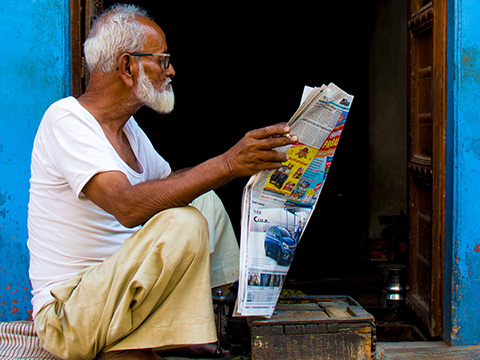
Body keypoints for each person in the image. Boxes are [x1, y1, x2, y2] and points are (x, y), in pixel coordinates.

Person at [27, 4, 297, 360]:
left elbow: (170, 185)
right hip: (70, 313)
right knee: (183, 222)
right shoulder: (66, 120)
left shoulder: (127, 129)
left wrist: (238, 165)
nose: (171, 70)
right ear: (127, 67)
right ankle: (144, 341)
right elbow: (126, 206)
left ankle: (205, 316)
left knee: (203, 202)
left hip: (113, 295)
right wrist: (228, 163)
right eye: (163, 59)